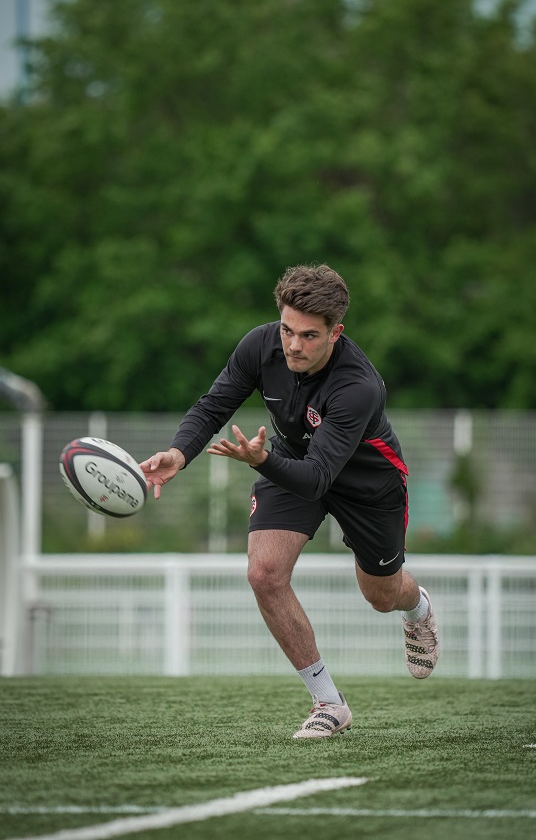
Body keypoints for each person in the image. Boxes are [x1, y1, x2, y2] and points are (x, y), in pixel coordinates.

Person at [141, 264, 439, 739]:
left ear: (335, 333)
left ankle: (416, 607)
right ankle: (328, 703)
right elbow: (213, 406)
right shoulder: (259, 346)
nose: (294, 345)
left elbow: (319, 479)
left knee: (381, 595)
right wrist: (179, 452)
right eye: (287, 329)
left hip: (366, 484)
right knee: (263, 573)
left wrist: (259, 462)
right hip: (291, 464)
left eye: (309, 335)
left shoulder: (357, 387)